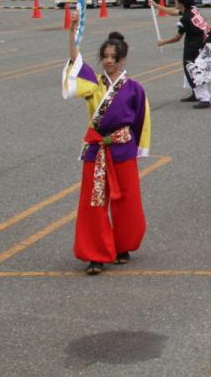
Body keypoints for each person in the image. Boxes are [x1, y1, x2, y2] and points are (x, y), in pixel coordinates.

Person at [62, 23, 152, 275]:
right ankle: (96, 255)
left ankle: (123, 245)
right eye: (105, 56)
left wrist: (138, 148)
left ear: (123, 59)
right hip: (97, 149)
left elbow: (141, 121)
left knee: (127, 200)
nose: (109, 61)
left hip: (123, 150)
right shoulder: (94, 84)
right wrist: (72, 35)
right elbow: (76, 63)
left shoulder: (134, 88)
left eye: (113, 57)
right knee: (94, 202)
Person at [152, 0, 211, 109]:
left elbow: (177, 38)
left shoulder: (185, 19)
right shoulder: (193, 10)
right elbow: (174, 12)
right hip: (206, 43)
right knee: (188, 68)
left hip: (200, 46)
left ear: (181, 3)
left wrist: (163, 42)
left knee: (195, 70)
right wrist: (156, 6)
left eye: (176, 0)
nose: (175, 2)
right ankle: (195, 93)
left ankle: (204, 99)